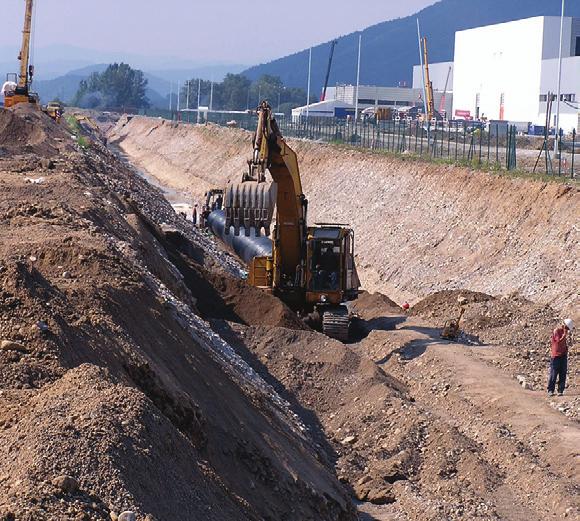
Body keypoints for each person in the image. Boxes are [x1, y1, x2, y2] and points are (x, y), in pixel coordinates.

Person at [547, 318, 574, 396]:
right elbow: (558, 342)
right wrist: (564, 335)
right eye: (567, 328)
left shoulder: (564, 332)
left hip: (563, 355)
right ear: (564, 326)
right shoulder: (557, 331)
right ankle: (550, 390)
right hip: (556, 355)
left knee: (563, 373)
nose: (567, 330)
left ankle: (560, 390)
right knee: (553, 373)